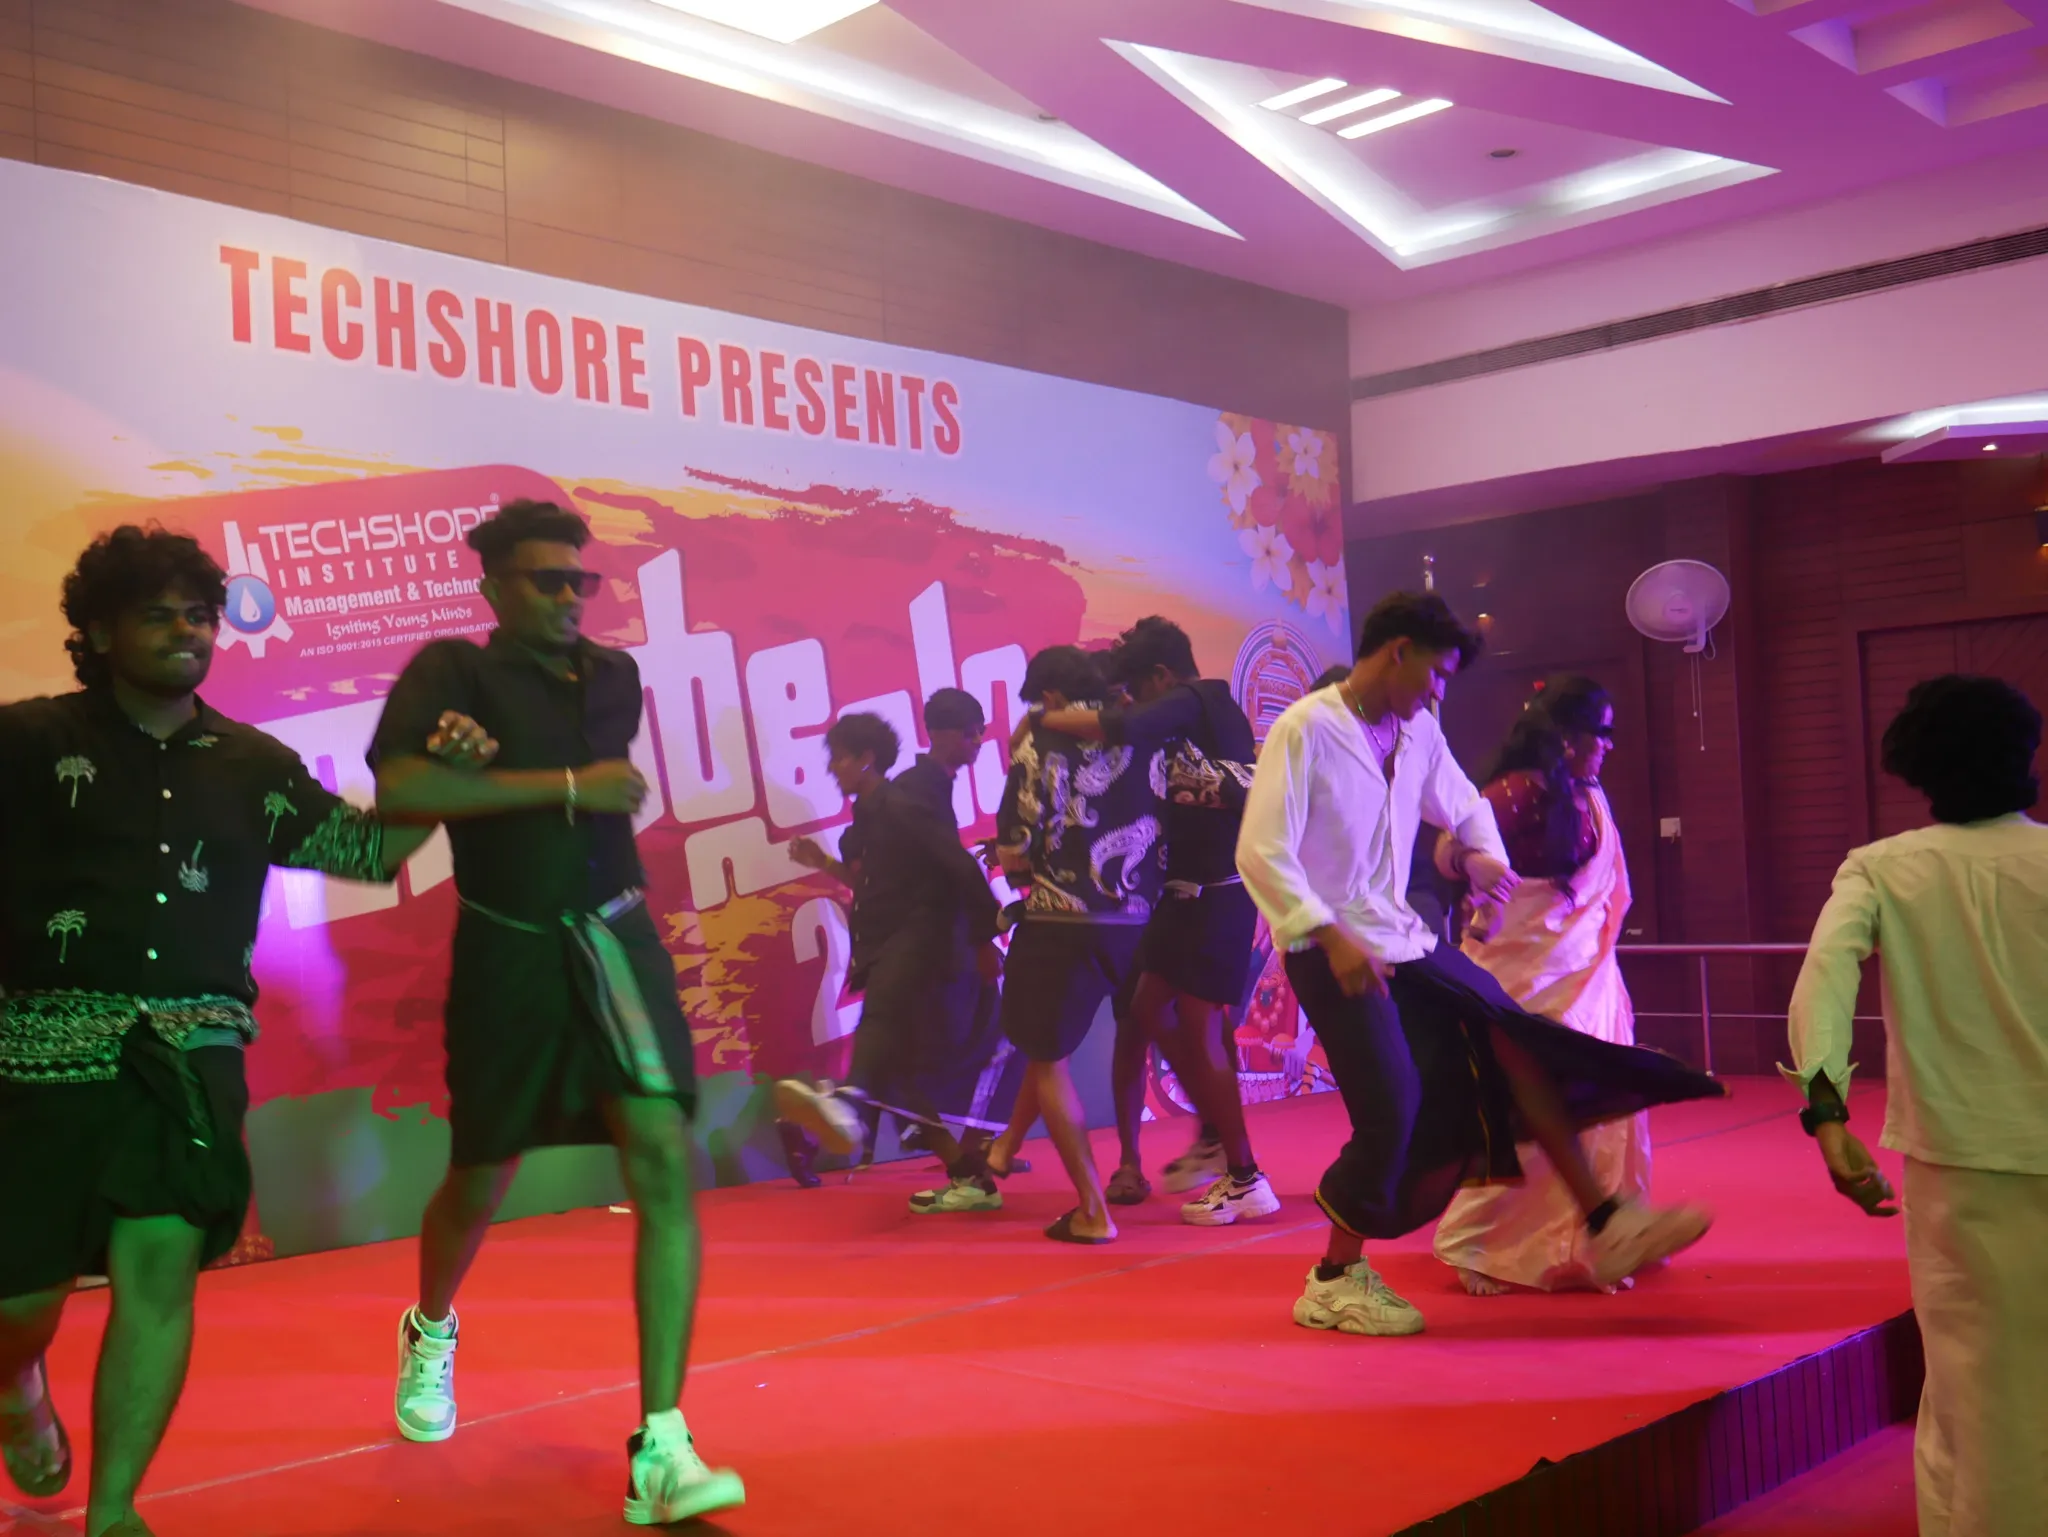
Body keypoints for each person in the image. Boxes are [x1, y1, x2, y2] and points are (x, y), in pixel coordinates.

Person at [0, 526, 481, 1537]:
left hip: (193, 1053)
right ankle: (16, 1384)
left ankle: (116, 1510)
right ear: (99, 631)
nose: (186, 631)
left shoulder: (251, 761)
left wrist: (436, 776)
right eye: (157, 615)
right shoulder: (28, 741)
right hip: (37, 1053)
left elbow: (365, 851)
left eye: (199, 615)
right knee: (19, 1306)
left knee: (159, 1267)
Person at [368, 499, 742, 1526]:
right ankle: (431, 1327)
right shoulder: (452, 672)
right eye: (547, 580)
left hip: (616, 939)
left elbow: (569, 792)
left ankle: (662, 1440)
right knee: (480, 1174)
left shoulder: (615, 677)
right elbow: (402, 792)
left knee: (661, 1153)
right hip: (507, 950)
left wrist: (516, 778)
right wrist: (564, 784)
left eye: (581, 579)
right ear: (493, 587)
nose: (571, 596)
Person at [1235, 592, 1721, 1337]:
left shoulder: (1419, 730)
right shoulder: (1307, 729)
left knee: (1518, 1040)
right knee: (1393, 1111)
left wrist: (1483, 857)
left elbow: (1465, 807)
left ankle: (1606, 1220)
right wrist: (1330, 937)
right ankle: (1332, 1279)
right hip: (1331, 952)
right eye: (1436, 672)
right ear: (1398, 651)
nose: (1439, 690)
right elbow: (1260, 852)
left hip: (1404, 941)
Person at [1786, 674, 2048, 1537]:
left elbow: (1822, 984)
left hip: (1959, 1167)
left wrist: (1827, 1114)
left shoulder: (1884, 868)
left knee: (1975, 1381)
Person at [1038, 616, 1274, 1226]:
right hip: (1182, 895)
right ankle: (1215, 1136)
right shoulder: (1190, 719)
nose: (1135, 702)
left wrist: (1046, 720)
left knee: (1199, 1030)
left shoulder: (1202, 698)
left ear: (1163, 677)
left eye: (1140, 689)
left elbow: (1126, 727)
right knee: (1145, 1009)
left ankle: (1245, 1175)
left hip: (1217, 893)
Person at [1431, 676, 1652, 1295]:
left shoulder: (1589, 793)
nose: (1609, 745)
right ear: (1567, 737)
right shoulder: (1516, 793)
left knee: (1601, 1106)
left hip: (1587, 975)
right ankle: (1478, 1244)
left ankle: (1596, 1239)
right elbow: (1448, 847)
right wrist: (1471, 865)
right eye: (1601, 733)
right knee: (1539, 1108)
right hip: (1526, 977)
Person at [773, 695, 1006, 1213]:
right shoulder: (874, 815)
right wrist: (825, 865)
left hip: (920, 947)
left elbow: (957, 866)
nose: (832, 769)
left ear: (866, 758)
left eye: (839, 758)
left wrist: (984, 939)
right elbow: (875, 883)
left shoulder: (904, 800)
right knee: (900, 1071)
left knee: (896, 1035)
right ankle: (970, 1176)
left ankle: (849, 1104)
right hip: (892, 947)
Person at [983, 645, 1166, 1244]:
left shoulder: (1041, 743)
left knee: (1046, 1057)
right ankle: (1003, 1150)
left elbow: (1015, 844)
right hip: (1134, 921)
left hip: (1061, 921)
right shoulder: (1144, 736)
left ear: (1051, 697)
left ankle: (1092, 1210)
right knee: (1050, 1048)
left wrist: (1020, 866)